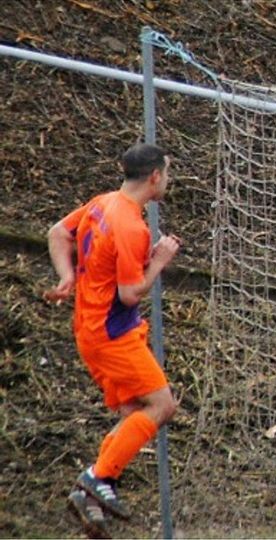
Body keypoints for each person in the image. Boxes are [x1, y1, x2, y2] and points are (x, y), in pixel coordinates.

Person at [44, 143, 180, 538]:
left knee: (134, 413)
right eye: (167, 172)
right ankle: (95, 478)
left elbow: (57, 233)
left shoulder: (103, 203)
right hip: (112, 335)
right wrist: (158, 262)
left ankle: (95, 495)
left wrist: (66, 275)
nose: (168, 179)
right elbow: (130, 294)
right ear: (154, 176)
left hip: (90, 328)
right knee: (162, 405)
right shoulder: (131, 226)